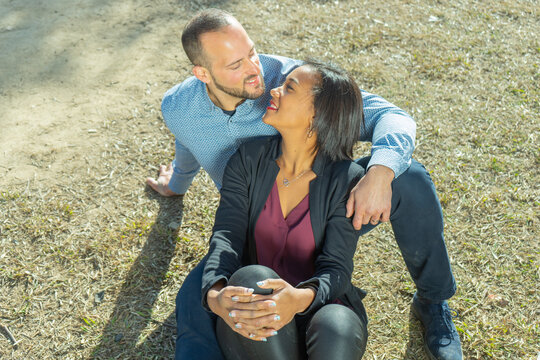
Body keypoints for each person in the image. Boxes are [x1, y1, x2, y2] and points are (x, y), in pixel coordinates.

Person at [147, 9, 462, 360]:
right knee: (196, 304)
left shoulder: (293, 82)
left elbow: (393, 117)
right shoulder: (178, 107)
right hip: (250, 222)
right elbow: (187, 141)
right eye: (235, 65)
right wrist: (176, 182)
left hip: (327, 206)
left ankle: (433, 301)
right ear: (202, 73)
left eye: (251, 52)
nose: (255, 71)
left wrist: (380, 173)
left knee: (411, 179)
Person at [202, 61, 368, 359]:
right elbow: (225, 237)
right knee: (256, 279)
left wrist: (297, 299)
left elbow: (337, 267)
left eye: (289, 88)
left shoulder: (347, 178)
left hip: (317, 305)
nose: (273, 92)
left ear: (317, 114)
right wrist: (215, 297)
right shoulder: (248, 159)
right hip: (256, 314)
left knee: (337, 323)